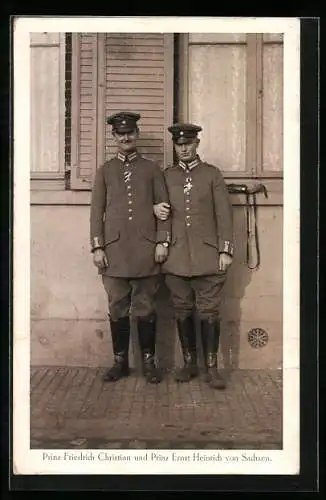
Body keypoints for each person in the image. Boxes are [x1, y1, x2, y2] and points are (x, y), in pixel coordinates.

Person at [90, 111, 171, 384]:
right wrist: (98, 247)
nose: (126, 137)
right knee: (117, 307)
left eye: (130, 133)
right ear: (114, 137)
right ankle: (120, 362)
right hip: (113, 253)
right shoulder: (105, 171)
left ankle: (149, 362)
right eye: (120, 134)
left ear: (137, 135)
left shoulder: (151, 169)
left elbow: (165, 210)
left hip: (146, 251)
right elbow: (96, 213)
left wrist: (162, 241)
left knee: (146, 307)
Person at [154, 123, 234, 389]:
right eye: (179, 144)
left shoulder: (212, 175)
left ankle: (211, 369)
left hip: (208, 256)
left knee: (209, 311)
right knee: (182, 310)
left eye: (188, 143)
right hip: (176, 257)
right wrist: (162, 239)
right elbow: (163, 215)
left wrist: (225, 250)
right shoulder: (167, 176)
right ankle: (189, 364)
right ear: (174, 147)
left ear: (197, 143)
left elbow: (224, 214)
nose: (183, 148)